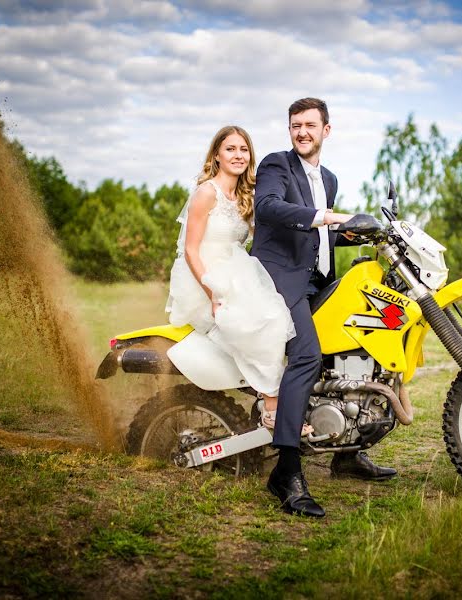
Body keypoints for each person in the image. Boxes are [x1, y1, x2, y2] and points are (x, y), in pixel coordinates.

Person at [252, 98, 397, 519]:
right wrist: (329, 217)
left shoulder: (328, 177)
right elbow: (270, 209)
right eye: (295, 125)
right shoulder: (277, 166)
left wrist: (361, 233)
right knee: (307, 357)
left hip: (317, 279)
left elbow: (324, 238)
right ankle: (287, 471)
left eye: (309, 125)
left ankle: (347, 454)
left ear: (326, 131)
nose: (301, 132)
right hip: (282, 279)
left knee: (355, 346)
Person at [166, 125, 296, 411]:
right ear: (216, 155)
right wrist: (212, 292)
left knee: (275, 318)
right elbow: (190, 249)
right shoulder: (206, 193)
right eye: (230, 149)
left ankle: (270, 400)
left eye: (244, 149)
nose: (238, 155)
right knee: (251, 324)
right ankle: (273, 410)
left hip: (240, 272)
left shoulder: (246, 195)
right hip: (207, 275)